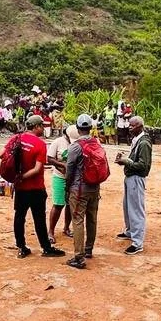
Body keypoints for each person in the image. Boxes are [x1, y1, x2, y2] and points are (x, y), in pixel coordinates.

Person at [4, 115, 64, 259]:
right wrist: (23, 177)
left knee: (19, 216)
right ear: (36, 126)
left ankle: (21, 247)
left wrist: (16, 177)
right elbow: (37, 169)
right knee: (39, 218)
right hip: (36, 188)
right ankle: (46, 248)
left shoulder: (16, 139)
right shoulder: (40, 144)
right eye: (42, 126)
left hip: (20, 189)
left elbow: (2, 155)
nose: (43, 128)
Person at [63, 114, 108, 268]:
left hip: (79, 189)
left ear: (77, 128)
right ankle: (88, 249)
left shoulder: (75, 147)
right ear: (90, 128)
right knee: (92, 219)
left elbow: (70, 169)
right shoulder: (97, 143)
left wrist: (67, 187)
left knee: (77, 221)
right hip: (94, 188)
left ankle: (79, 257)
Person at [115, 115, 152, 253]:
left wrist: (126, 162)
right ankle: (130, 231)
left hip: (136, 178)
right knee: (128, 206)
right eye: (129, 125)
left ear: (140, 127)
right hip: (131, 176)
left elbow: (143, 166)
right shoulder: (137, 140)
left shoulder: (144, 143)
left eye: (132, 126)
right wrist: (126, 160)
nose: (129, 128)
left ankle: (137, 242)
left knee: (136, 209)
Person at [46, 122, 77, 243]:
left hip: (73, 179)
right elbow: (49, 158)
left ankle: (66, 228)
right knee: (58, 204)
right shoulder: (58, 142)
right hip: (59, 177)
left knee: (70, 205)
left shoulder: (77, 143)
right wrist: (61, 165)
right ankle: (51, 231)